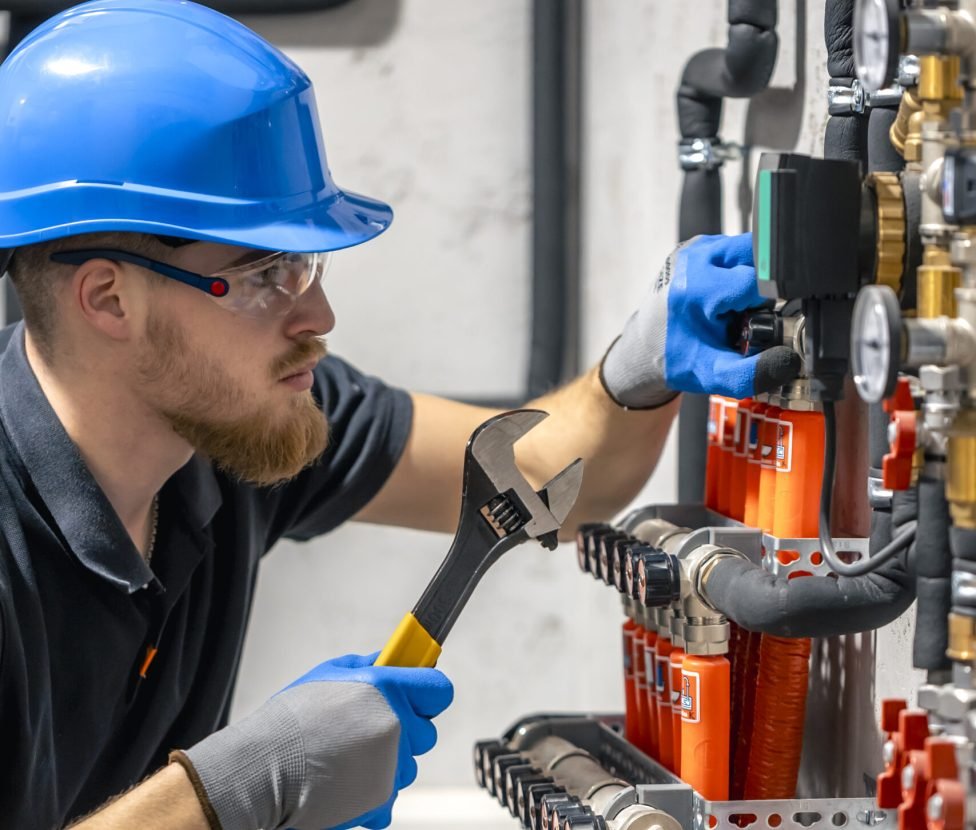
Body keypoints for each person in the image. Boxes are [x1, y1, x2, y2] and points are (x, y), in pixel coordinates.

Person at [0, 2, 800, 828]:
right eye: (263, 272)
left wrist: (632, 375)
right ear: (107, 297)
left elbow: (547, 475)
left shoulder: (233, 425)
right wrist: (242, 785)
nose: (319, 318)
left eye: (306, 263)